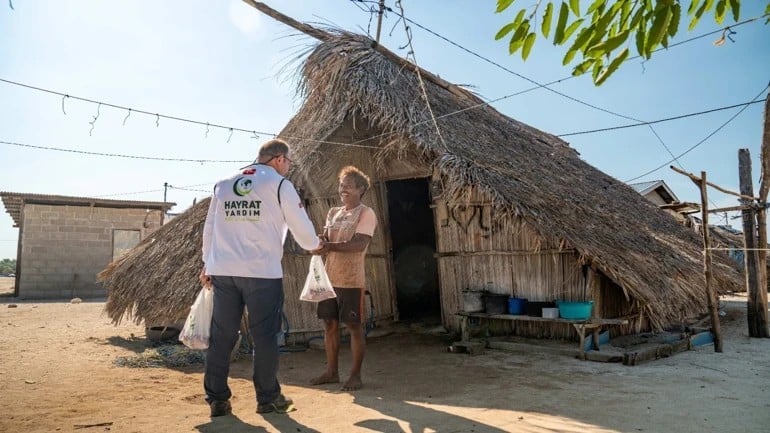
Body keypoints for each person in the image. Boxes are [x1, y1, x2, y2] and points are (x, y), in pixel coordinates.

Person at [199, 138, 321, 417]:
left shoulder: (223, 184)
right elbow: (300, 226)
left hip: (225, 272)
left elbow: (210, 229)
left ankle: (217, 399)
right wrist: (315, 244)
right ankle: (268, 399)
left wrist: (208, 263)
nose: (289, 168)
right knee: (265, 336)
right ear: (279, 159)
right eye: (288, 162)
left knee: (222, 336)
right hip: (262, 274)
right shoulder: (279, 185)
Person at [310, 166, 377, 391]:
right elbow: (326, 240)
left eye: (348, 186)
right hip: (329, 278)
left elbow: (359, 243)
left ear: (361, 189)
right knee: (330, 324)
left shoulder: (366, 213)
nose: (343, 189)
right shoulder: (333, 213)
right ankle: (331, 372)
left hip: (351, 279)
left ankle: (355, 375)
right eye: (341, 185)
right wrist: (319, 244)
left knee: (354, 326)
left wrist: (329, 246)